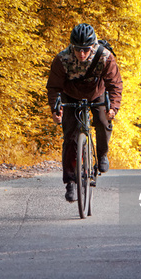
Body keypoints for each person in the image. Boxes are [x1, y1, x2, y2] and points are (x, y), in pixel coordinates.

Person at [46, 23, 123, 202]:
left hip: (97, 94)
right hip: (70, 95)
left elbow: (115, 84)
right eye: (78, 49)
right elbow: (54, 87)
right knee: (70, 137)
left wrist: (113, 108)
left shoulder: (105, 57)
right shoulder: (62, 59)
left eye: (86, 50)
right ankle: (71, 183)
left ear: (93, 46)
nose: (82, 54)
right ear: (72, 47)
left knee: (103, 122)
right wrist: (55, 109)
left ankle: (102, 154)